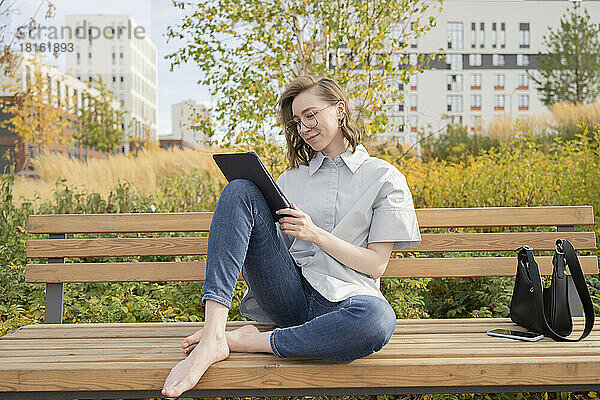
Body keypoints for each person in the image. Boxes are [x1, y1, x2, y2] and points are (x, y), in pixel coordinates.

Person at [161, 76, 422, 398]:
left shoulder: (384, 177)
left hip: (345, 300)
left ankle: (247, 341)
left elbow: (376, 266)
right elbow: (270, 253)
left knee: (377, 321)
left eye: (311, 115)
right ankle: (214, 334)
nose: (304, 128)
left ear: (340, 110)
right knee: (241, 188)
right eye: (297, 122)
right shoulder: (290, 179)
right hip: (287, 296)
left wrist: (315, 234)